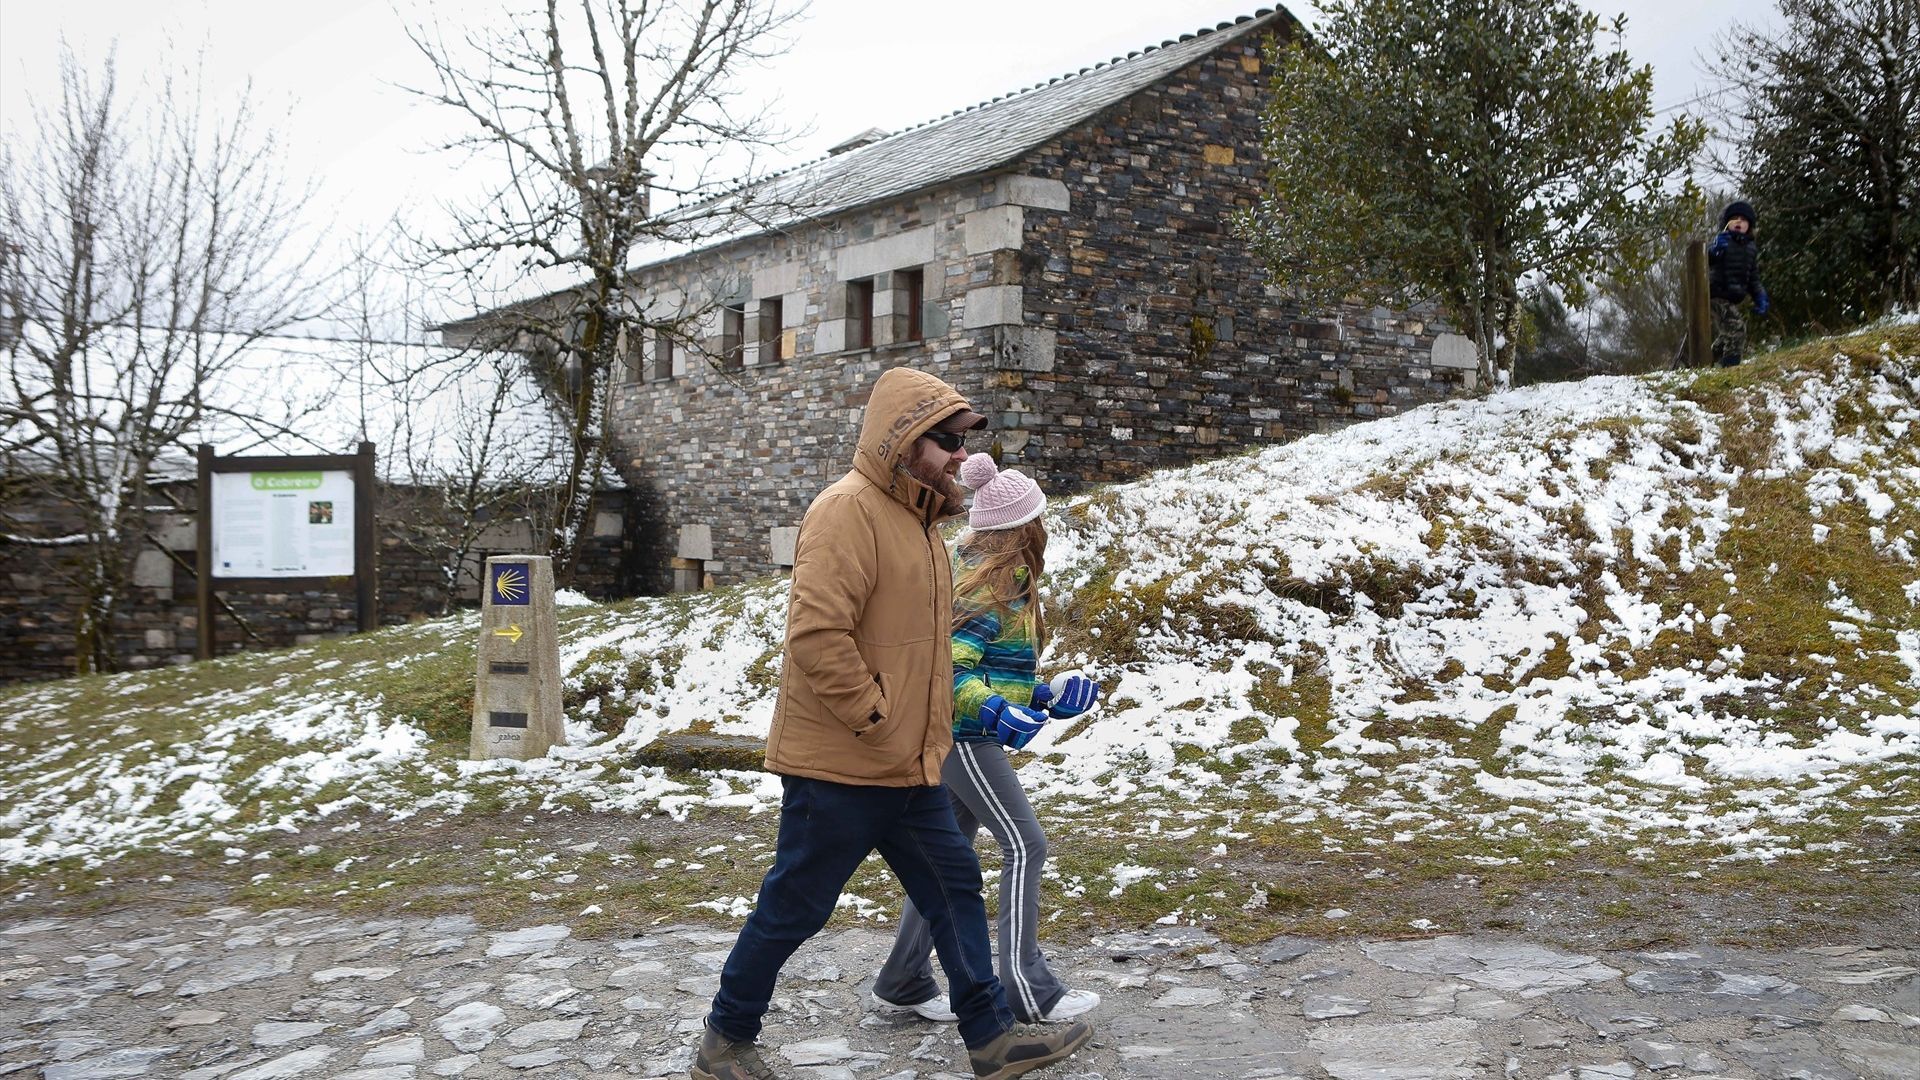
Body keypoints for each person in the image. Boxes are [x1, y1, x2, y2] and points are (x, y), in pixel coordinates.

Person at [693, 368, 1094, 1080]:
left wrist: (1018, 695)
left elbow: (935, 656)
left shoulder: (920, 522)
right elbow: (817, 637)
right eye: (945, 441)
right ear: (903, 440)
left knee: (953, 886)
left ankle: (991, 1038)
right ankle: (726, 1039)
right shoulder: (844, 511)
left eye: (962, 440)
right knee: (795, 907)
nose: (957, 459)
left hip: (911, 762)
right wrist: (879, 718)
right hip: (842, 764)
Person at [871, 453, 1103, 1025]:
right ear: (1025, 528)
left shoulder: (1004, 580)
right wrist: (995, 710)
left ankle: (902, 979)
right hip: (965, 739)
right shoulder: (987, 588)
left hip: (967, 733)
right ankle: (1028, 988)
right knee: (1026, 846)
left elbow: (988, 668)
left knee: (943, 863)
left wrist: (1041, 695)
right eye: (1041, 518)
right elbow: (951, 674)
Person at [1708, 199, 1769, 367]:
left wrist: (1760, 296)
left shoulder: (1750, 248)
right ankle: (1730, 369)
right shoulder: (1722, 241)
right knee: (1737, 330)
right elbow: (1707, 259)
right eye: (1734, 218)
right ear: (1727, 223)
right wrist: (1714, 251)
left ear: (1750, 225)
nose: (1739, 222)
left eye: (1743, 219)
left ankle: (1706, 360)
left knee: (1728, 334)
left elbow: (1753, 277)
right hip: (1717, 294)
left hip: (1733, 297)